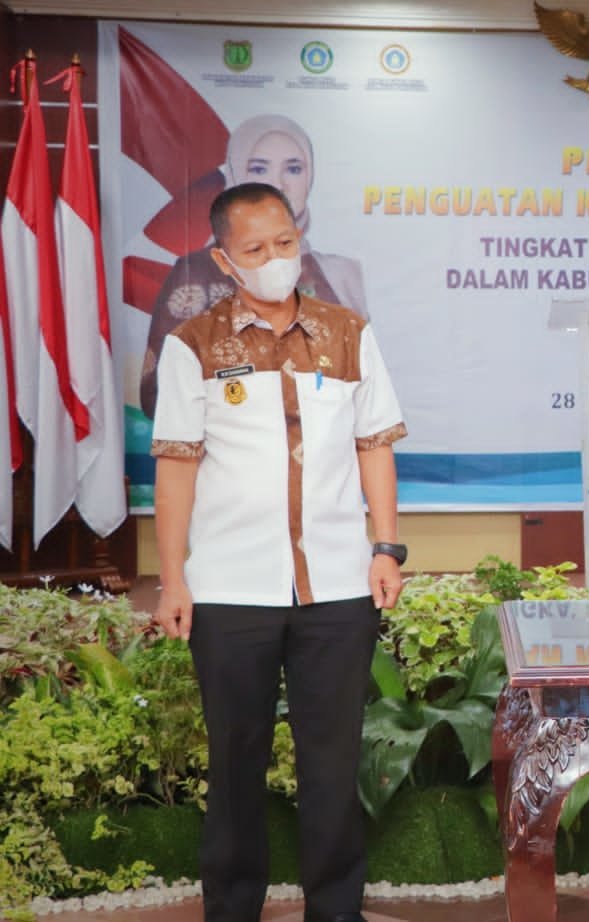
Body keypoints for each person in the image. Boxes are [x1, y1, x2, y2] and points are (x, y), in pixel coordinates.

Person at [150, 182, 407, 922]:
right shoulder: (194, 345)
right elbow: (177, 467)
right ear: (223, 259)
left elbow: (374, 446)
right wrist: (173, 580)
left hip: (337, 586)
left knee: (333, 762)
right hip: (231, 590)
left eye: (285, 243)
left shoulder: (348, 332)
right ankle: (233, 908)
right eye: (256, 249)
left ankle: (337, 909)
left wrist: (385, 548)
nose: (274, 259)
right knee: (236, 762)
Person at [141, 113, 368, 418]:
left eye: (294, 168)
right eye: (259, 168)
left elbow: (366, 402)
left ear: (310, 177)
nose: (278, 183)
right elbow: (158, 395)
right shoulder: (196, 272)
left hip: (327, 446)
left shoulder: (343, 275)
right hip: (225, 444)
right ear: (235, 173)